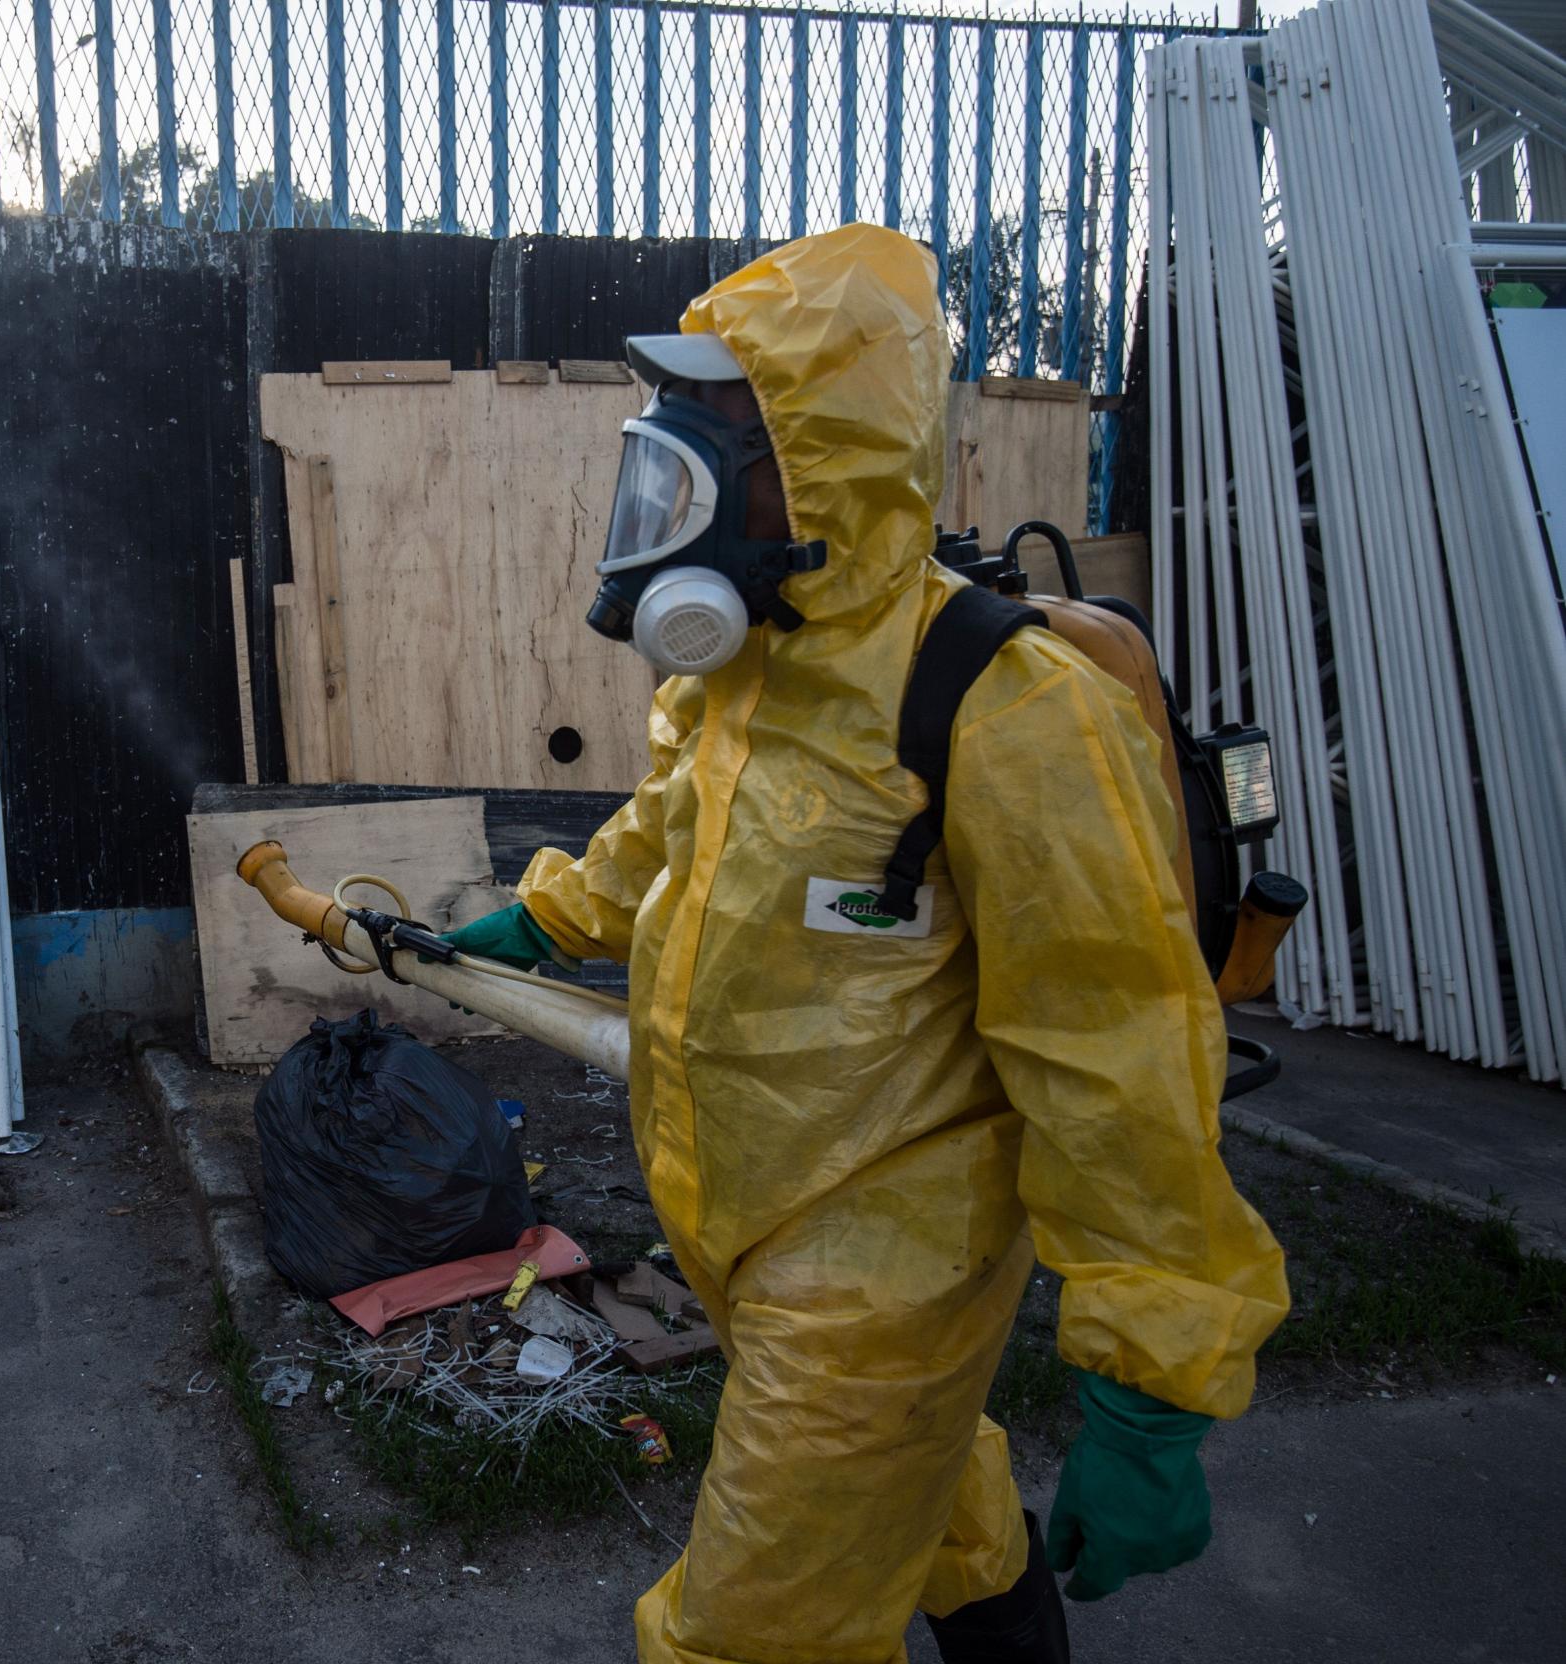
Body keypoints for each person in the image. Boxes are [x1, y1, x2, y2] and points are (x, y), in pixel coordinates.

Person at [445, 224, 1289, 1664]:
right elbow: (670, 829)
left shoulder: (1002, 705)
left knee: (743, 1635)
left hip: (889, 1263)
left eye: (718, 439)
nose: (675, 481)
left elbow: (1117, 1047)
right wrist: (554, 914)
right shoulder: (756, 669)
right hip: (755, 1221)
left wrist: (1155, 1380)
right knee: (941, 1508)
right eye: (673, 441)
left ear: (822, 454)